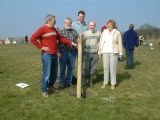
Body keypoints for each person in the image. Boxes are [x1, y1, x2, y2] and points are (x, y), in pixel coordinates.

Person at [30, 14, 77, 98]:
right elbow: (32, 38)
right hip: (47, 55)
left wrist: (71, 43)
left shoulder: (54, 29)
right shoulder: (42, 29)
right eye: (54, 20)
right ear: (49, 20)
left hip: (54, 54)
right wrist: (41, 47)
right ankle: (44, 90)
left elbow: (61, 38)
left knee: (54, 73)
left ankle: (51, 86)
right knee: (47, 73)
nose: (55, 21)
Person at [98, 19, 123, 90]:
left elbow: (120, 43)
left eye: (110, 25)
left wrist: (120, 53)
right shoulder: (104, 32)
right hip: (105, 51)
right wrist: (100, 52)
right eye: (108, 24)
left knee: (113, 68)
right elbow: (101, 42)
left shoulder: (117, 32)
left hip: (113, 52)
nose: (109, 26)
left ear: (113, 25)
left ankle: (113, 83)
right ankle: (105, 82)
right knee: (105, 68)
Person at [58, 17, 78, 88]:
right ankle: (62, 83)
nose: (68, 24)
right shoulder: (60, 32)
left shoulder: (74, 32)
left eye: (69, 23)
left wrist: (77, 45)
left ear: (71, 23)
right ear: (64, 23)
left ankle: (68, 82)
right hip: (63, 52)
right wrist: (58, 52)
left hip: (72, 52)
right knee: (62, 68)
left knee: (71, 67)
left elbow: (77, 41)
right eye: (67, 23)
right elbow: (57, 43)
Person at [83, 20, 101, 86]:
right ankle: (86, 80)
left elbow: (100, 42)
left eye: (93, 25)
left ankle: (91, 81)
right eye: (90, 25)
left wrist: (99, 52)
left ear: (95, 26)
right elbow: (81, 42)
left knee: (93, 67)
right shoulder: (85, 33)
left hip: (95, 53)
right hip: (87, 53)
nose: (92, 26)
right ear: (88, 26)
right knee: (87, 67)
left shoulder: (99, 33)